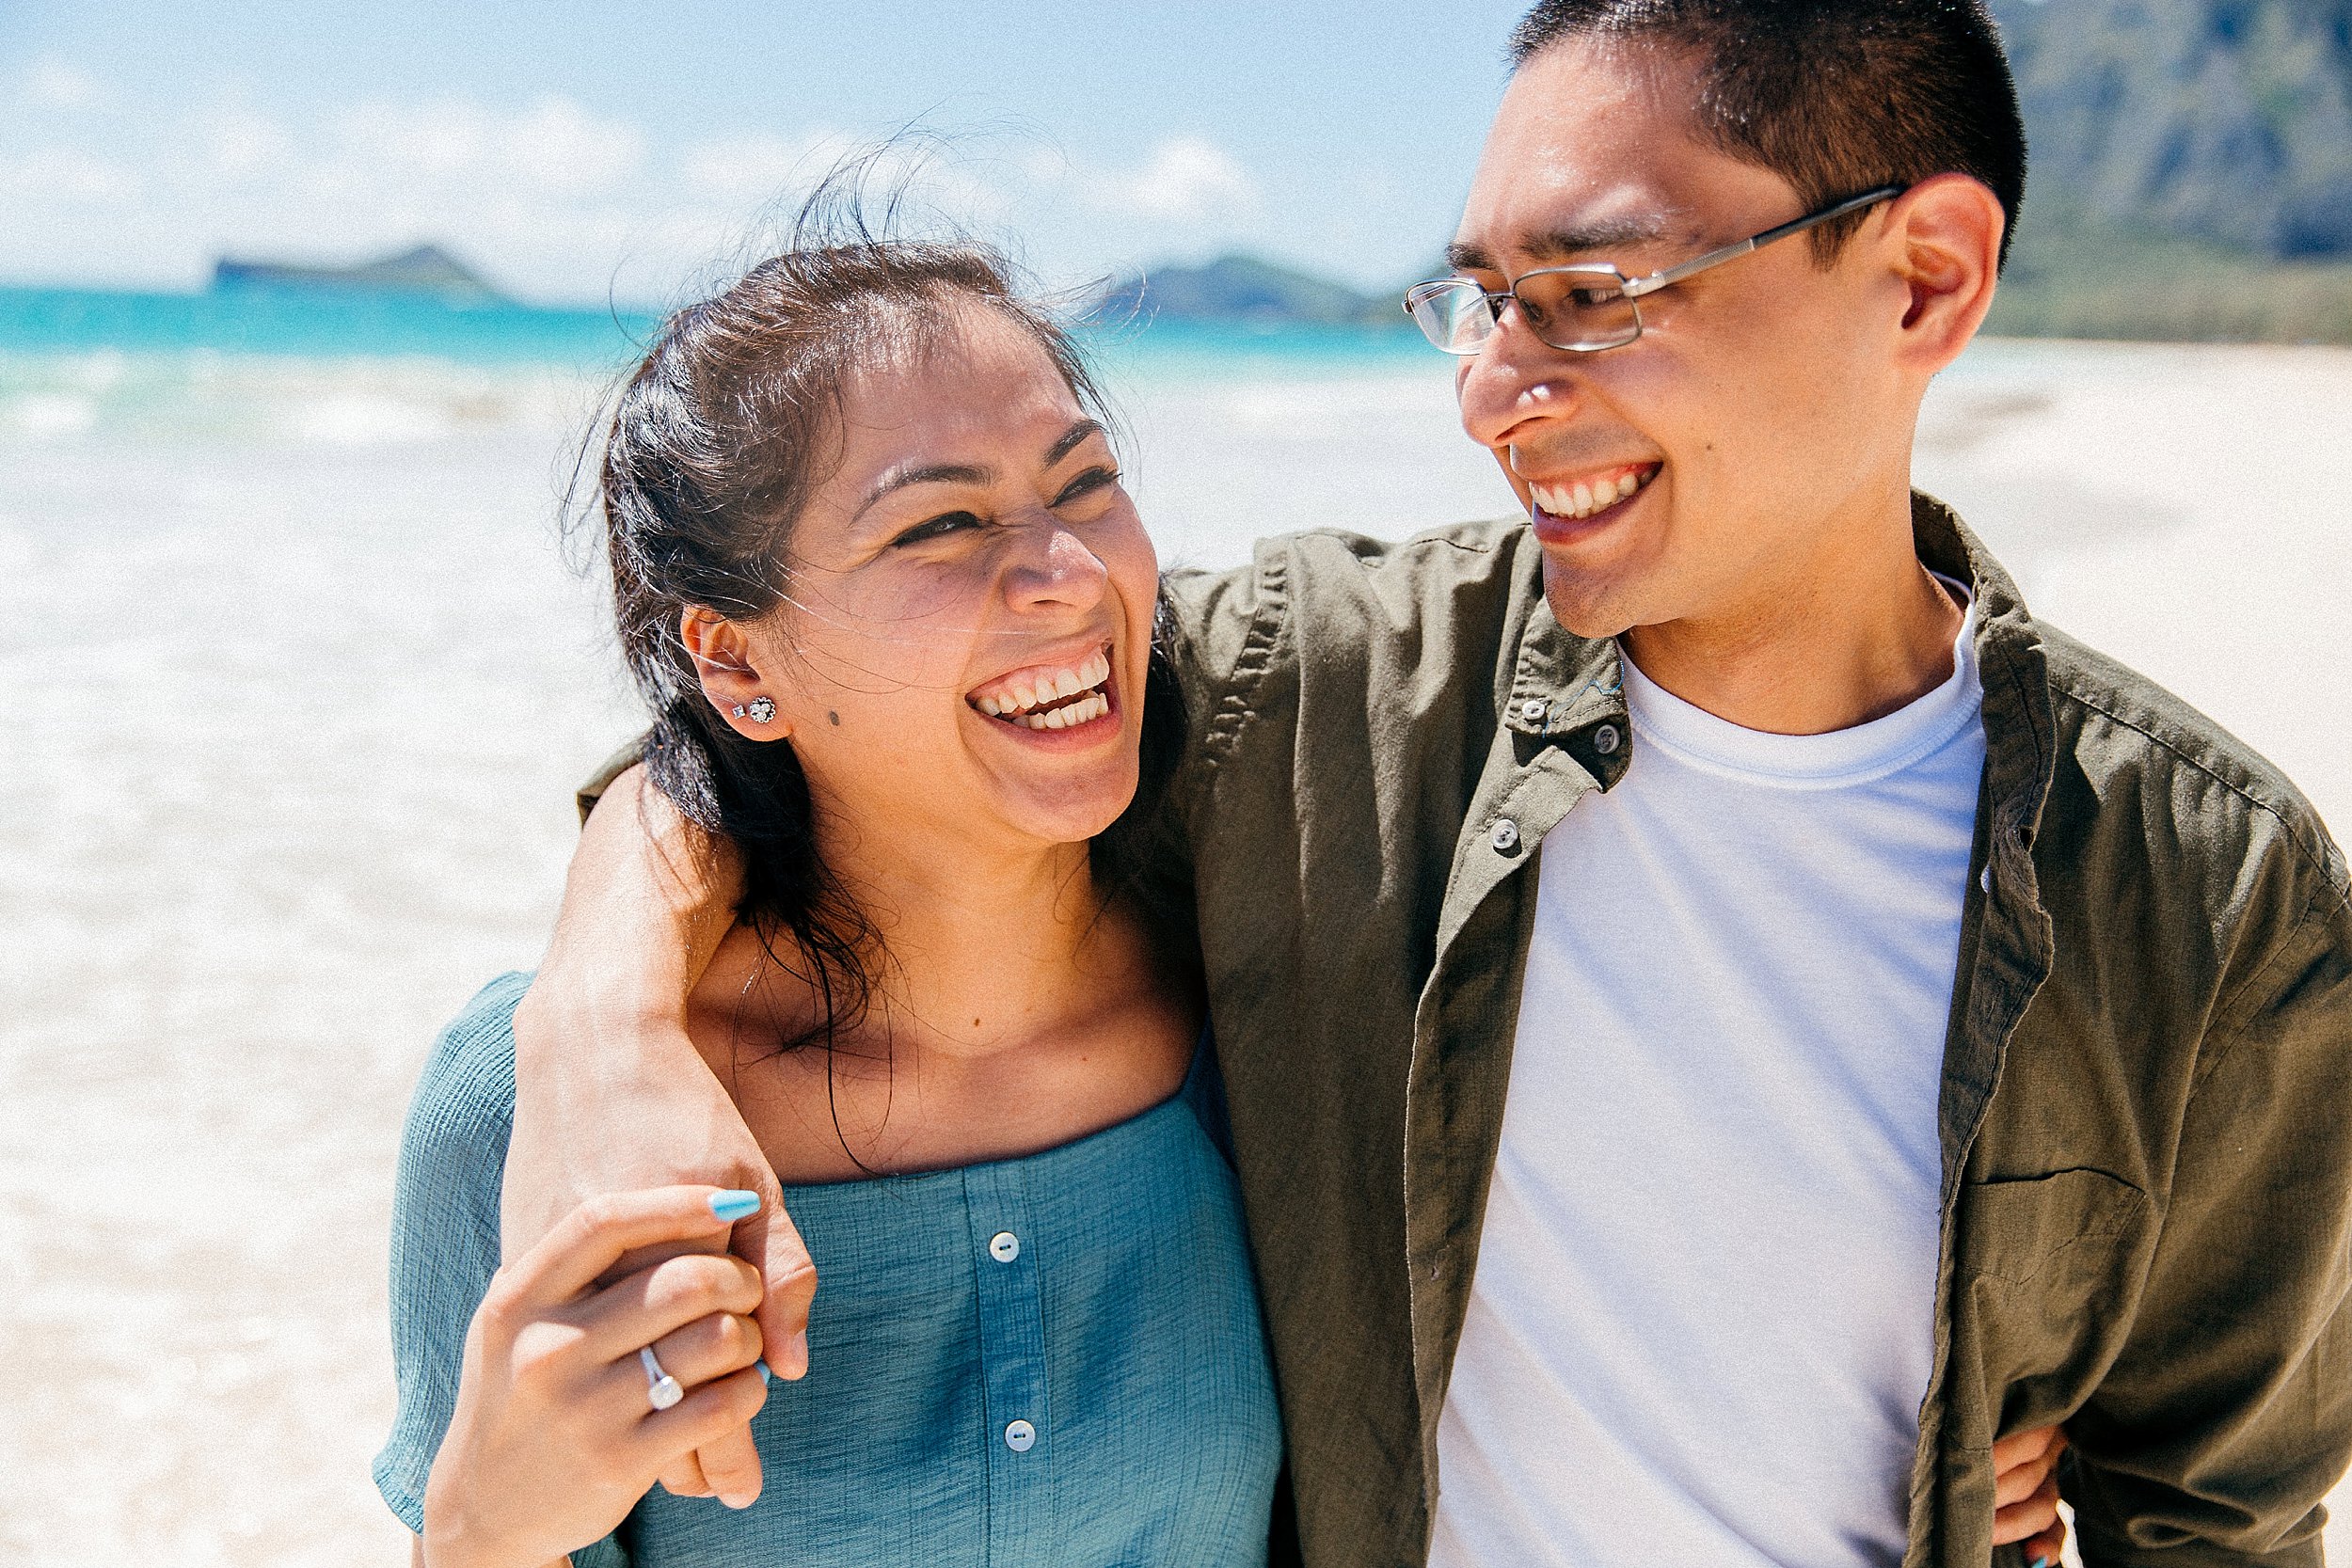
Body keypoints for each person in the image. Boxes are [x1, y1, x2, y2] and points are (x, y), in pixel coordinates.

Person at [503, 1, 2352, 1564]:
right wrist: (597, 1035)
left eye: (1592, 292)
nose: (1489, 392)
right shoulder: (1337, 695)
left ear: (1922, 279)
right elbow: (837, 732)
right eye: (1475, 303)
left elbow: (2215, 1517)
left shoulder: (2204, 895)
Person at [374, 236, 1285, 1565]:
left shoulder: (1267, 1005)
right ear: (738, 663)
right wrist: (478, 1530)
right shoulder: (536, 1116)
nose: (1068, 572)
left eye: (1087, 485)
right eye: (940, 524)